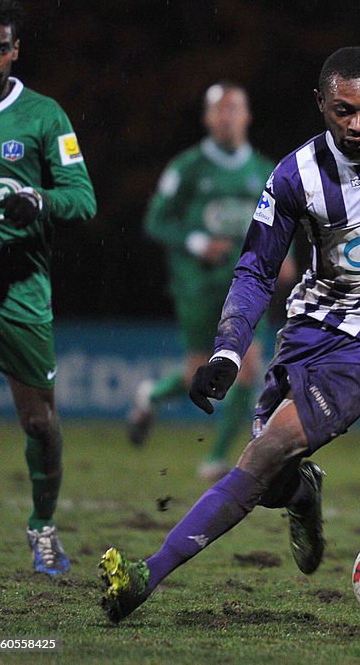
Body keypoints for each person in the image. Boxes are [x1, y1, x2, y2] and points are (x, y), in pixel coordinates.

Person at [98, 46, 360, 623]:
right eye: (343, 111)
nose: (357, 125)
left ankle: (144, 576)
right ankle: (301, 494)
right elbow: (256, 268)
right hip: (310, 327)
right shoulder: (293, 176)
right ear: (320, 104)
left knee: (263, 454)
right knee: (273, 480)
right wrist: (228, 350)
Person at [0, 0, 97, 574]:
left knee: (40, 423)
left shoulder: (44, 117)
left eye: (1, 48)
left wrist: (37, 198)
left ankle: (42, 527)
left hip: (21, 287)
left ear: (16, 50)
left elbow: (83, 199)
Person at [127, 81, 287, 481]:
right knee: (198, 371)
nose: (227, 117)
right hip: (198, 285)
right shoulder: (187, 168)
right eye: (220, 110)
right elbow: (155, 221)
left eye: (235, 109)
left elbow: (281, 223)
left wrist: (287, 258)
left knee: (248, 369)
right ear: (207, 118)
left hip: (248, 285)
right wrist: (198, 243)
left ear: (247, 116)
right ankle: (152, 396)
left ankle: (216, 460)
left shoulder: (264, 171)